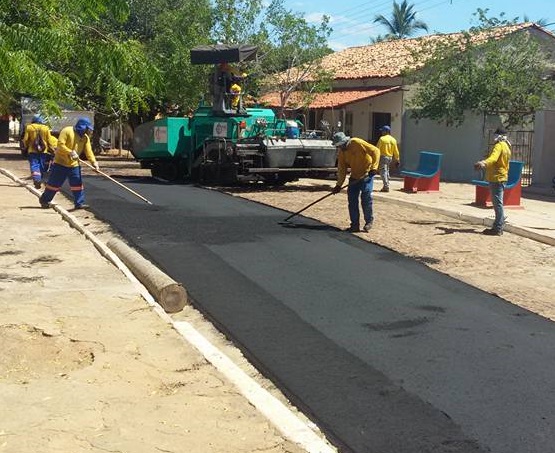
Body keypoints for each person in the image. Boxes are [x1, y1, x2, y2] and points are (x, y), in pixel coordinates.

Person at [39, 117, 99, 210]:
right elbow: (60, 145)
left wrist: (94, 162)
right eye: (87, 129)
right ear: (82, 127)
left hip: (74, 165)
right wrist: (70, 152)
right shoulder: (67, 131)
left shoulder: (85, 138)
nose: (89, 131)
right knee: (54, 184)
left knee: (77, 185)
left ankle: (79, 203)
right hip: (60, 163)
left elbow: (88, 151)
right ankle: (45, 200)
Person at [330, 132, 380, 232]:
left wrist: (374, 168)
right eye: (338, 146)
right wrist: (338, 185)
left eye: (340, 145)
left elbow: (375, 151)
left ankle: (369, 222)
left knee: (366, 198)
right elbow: (342, 169)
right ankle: (355, 225)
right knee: (352, 200)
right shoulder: (342, 153)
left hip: (366, 176)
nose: (340, 147)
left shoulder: (357, 142)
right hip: (354, 177)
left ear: (344, 142)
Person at [474, 127, 511, 236]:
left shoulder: (499, 146)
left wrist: (483, 163)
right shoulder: (507, 146)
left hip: (496, 178)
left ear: (499, 136)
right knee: (498, 203)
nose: (494, 136)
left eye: (496, 134)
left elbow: (494, 158)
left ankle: (497, 228)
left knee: (497, 204)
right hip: (502, 177)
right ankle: (498, 225)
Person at [22, 115, 56, 189]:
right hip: (44, 151)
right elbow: (49, 140)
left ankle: (37, 179)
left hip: (32, 150)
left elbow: (25, 139)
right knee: (41, 165)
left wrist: (25, 146)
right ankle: (39, 178)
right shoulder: (46, 128)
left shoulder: (29, 127)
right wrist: (53, 149)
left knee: (34, 164)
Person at [376, 125, 400, 192]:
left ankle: (386, 186)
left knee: (383, 171)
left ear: (386, 131)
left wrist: (375, 157)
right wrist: (397, 159)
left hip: (383, 157)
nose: (382, 132)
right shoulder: (393, 140)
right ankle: (387, 184)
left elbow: (377, 149)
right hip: (390, 158)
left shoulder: (382, 139)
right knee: (387, 171)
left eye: (383, 131)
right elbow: (396, 151)